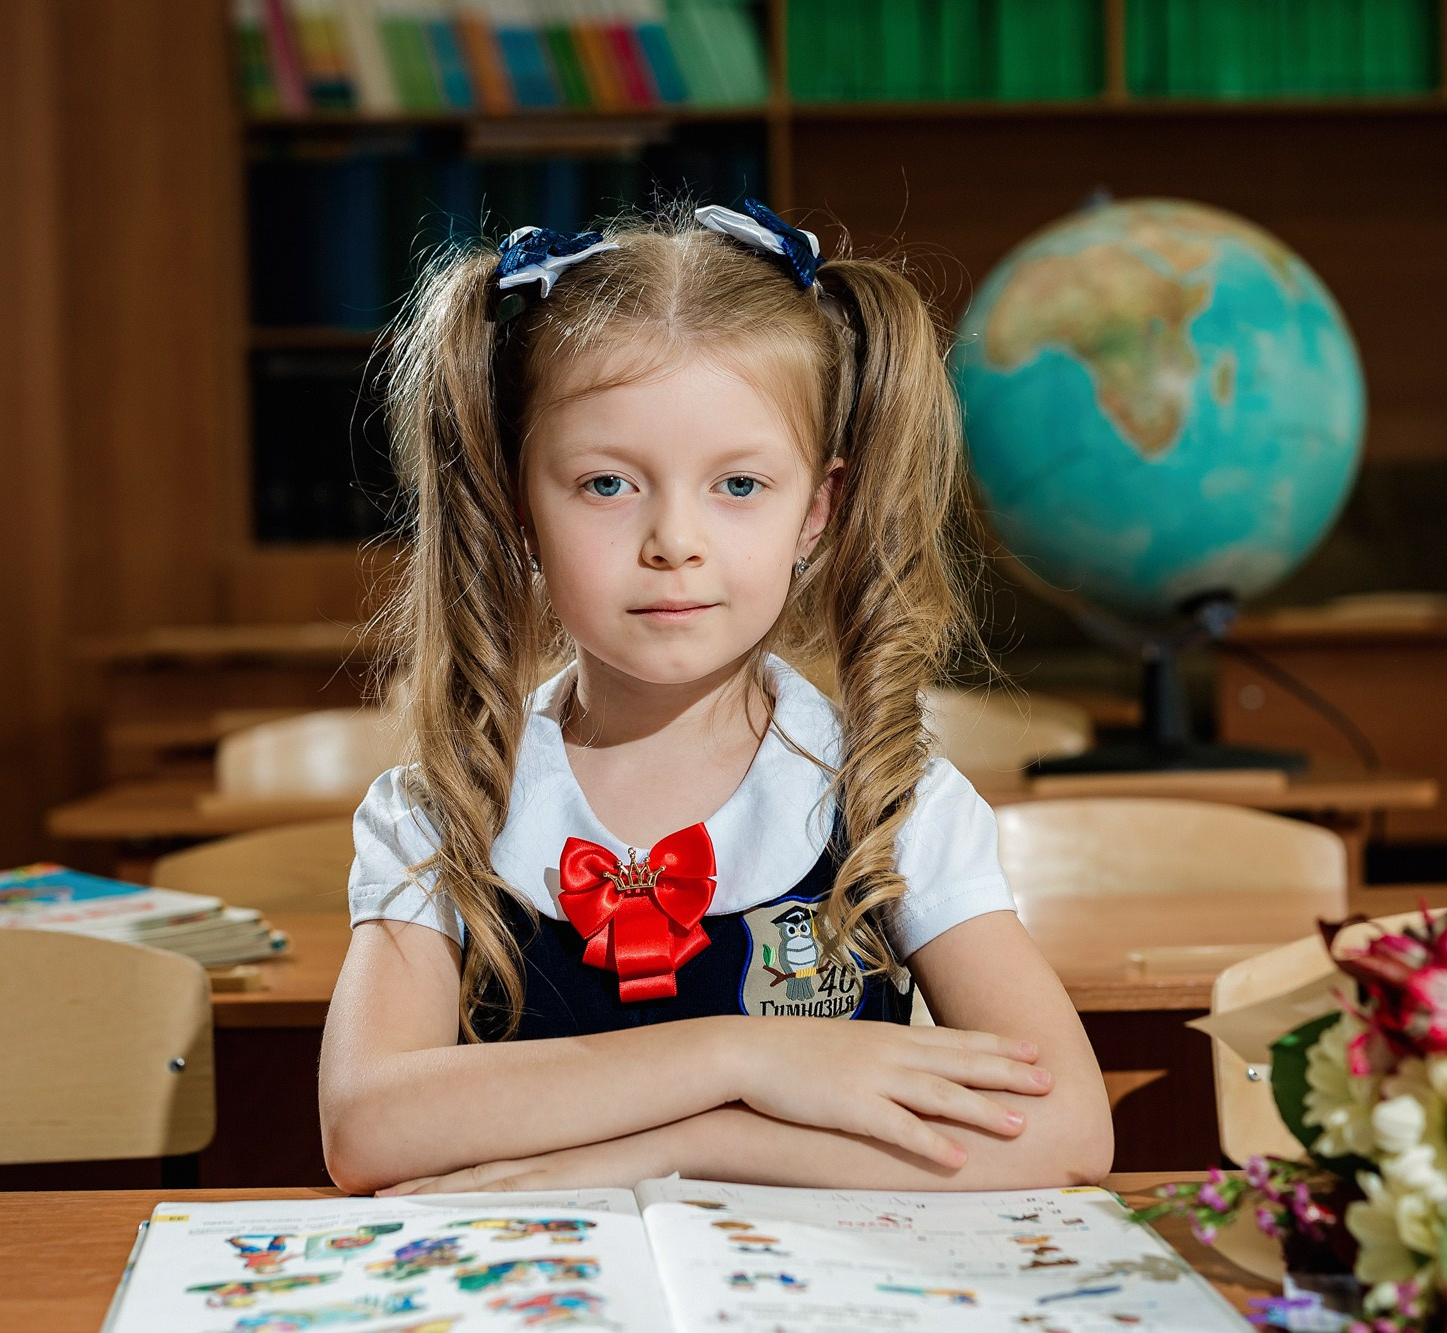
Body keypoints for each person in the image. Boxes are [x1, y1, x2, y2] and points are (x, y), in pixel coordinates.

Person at [319, 200, 1112, 1197]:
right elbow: (367, 1126)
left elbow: (1066, 1130)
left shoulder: (891, 800)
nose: (673, 541)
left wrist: (669, 1151)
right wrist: (742, 1056)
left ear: (814, 511)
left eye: (738, 485)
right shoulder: (438, 809)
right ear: (520, 508)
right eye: (607, 484)